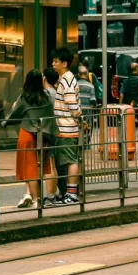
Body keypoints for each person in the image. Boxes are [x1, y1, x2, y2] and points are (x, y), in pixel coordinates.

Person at [6, 69, 55, 208]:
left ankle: (35, 200)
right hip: (42, 136)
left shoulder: (24, 98)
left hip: (26, 134)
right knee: (38, 168)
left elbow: (13, 115)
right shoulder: (46, 98)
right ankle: (37, 198)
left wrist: (4, 122)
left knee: (30, 169)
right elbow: (51, 117)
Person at [46, 47, 82, 205]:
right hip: (67, 126)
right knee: (68, 160)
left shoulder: (67, 78)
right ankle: (69, 192)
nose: (53, 64)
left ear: (64, 63)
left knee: (70, 160)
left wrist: (77, 116)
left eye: (56, 61)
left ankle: (72, 194)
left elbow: (71, 102)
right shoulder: (66, 78)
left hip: (67, 126)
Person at [120, 62, 138, 150]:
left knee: (128, 126)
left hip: (128, 107)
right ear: (137, 70)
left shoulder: (125, 81)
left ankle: (127, 145)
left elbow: (121, 95)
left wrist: (121, 105)